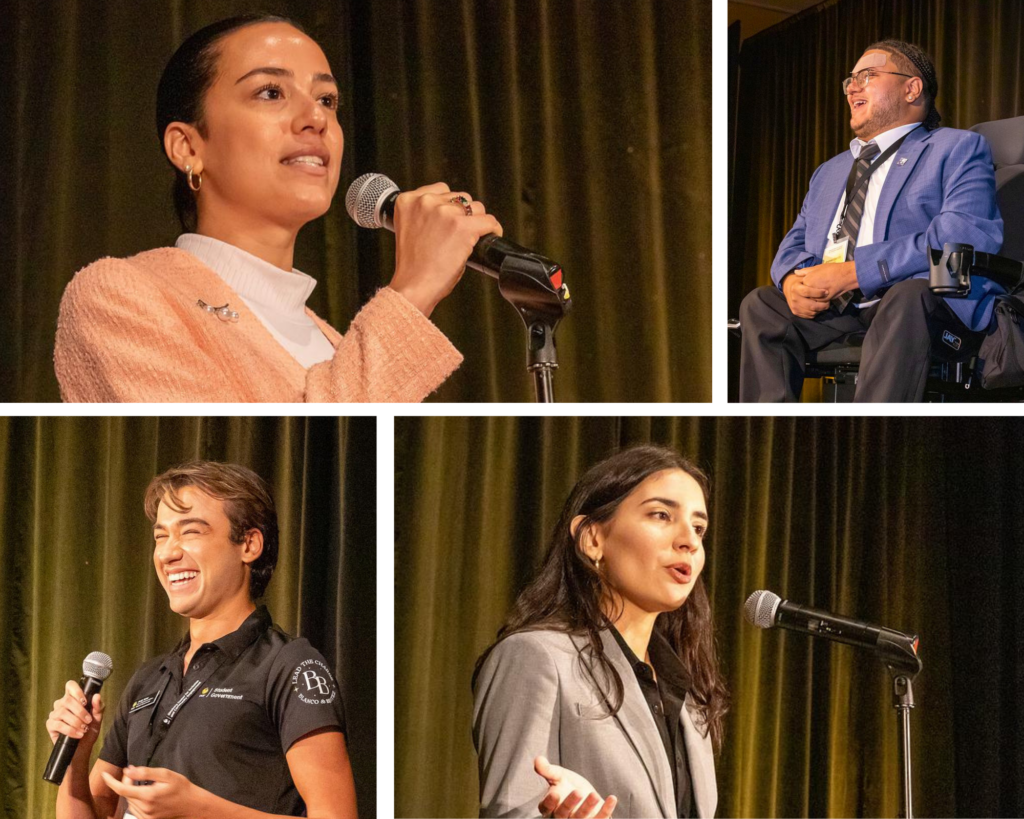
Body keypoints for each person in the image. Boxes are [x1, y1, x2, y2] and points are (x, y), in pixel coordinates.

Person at [53, 13, 503, 402]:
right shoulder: (121, 294)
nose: (316, 118)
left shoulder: (334, 342)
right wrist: (414, 289)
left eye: (327, 99)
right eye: (270, 92)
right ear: (187, 146)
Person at [45, 461, 357, 819]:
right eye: (161, 536)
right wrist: (76, 759)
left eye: (190, 532)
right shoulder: (149, 679)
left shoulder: (290, 666)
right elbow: (97, 812)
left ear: (249, 544)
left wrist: (202, 810)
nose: (167, 553)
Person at [738, 40, 1004, 402]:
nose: (852, 86)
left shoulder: (956, 148)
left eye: (867, 76)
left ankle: (871, 429)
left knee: (908, 296)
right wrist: (792, 281)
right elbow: (794, 243)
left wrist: (854, 272)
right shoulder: (829, 172)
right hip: (841, 308)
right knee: (762, 305)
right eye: (850, 79)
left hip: (920, 302)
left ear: (912, 88)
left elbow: (962, 235)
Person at [472, 445, 728, 819]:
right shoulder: (535, 657)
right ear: (592, 538)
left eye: (699, 527)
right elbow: (510, 811)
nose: (689, 540)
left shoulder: (690, 698)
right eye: (661, 515)